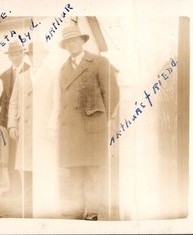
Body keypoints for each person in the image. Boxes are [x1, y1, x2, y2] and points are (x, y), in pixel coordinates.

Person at [48, 25, 119, 220]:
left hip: (92, 129)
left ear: (82, 41)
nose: (72, 44)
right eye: (68, 42)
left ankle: (93, 211)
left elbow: (112, 93)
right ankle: (78, 209)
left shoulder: (99, 62)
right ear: (65, 46)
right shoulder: (63, 69)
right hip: (71, 130)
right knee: (75, 172)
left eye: (75, 40)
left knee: (92, 172)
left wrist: (102, 118)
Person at [7, 43, 36, 218]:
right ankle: (27, 203)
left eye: (38, 54)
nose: (35, 58)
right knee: (24, 165)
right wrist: (12, 124)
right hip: (24, 128)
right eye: (32, 55)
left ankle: (40, 201)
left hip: (40, 128)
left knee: (40, 165)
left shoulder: (50, 75)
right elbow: (13, 102)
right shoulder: (21, 77)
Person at [0, 41, 30, 197]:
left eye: (18, 53)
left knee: (26, 155)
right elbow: (2, 100)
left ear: (23, 55)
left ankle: (28, 190)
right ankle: (15, 189)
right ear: (9, 57)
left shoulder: (30, 71)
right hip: (9, 122)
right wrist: (4, 124)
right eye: (12, 54)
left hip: (27, 121)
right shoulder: (4, 76)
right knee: (11, 155)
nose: (15, 57)